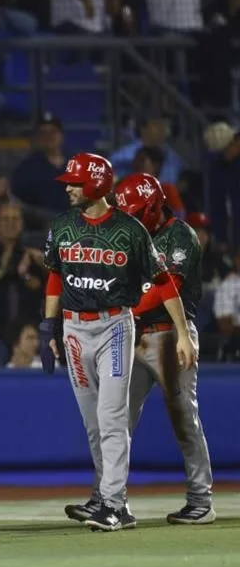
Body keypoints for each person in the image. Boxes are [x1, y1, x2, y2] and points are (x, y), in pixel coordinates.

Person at [39, 152, 197, 532]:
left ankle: (114, 503)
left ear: (96, 183)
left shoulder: (129, 229)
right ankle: (105, 498)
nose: (69, 188)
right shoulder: (62, 226)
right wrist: (48, 327)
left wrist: (181, 334)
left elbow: (164, 283)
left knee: (111, 418)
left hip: (114, 326)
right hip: (75, 330)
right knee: (94, 423)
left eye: (75, 182)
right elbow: (55, 277)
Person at [113, 173, 214, 525]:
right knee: (118, 419)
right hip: (134, 335)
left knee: (184, 417)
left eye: (138, 212)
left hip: (173, 335)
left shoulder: (179, 234)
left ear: (155, 205)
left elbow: (166, 287)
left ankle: (201, 500)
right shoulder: (129, 232)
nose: (132, 218)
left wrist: (124, 306)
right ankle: (113, 501)